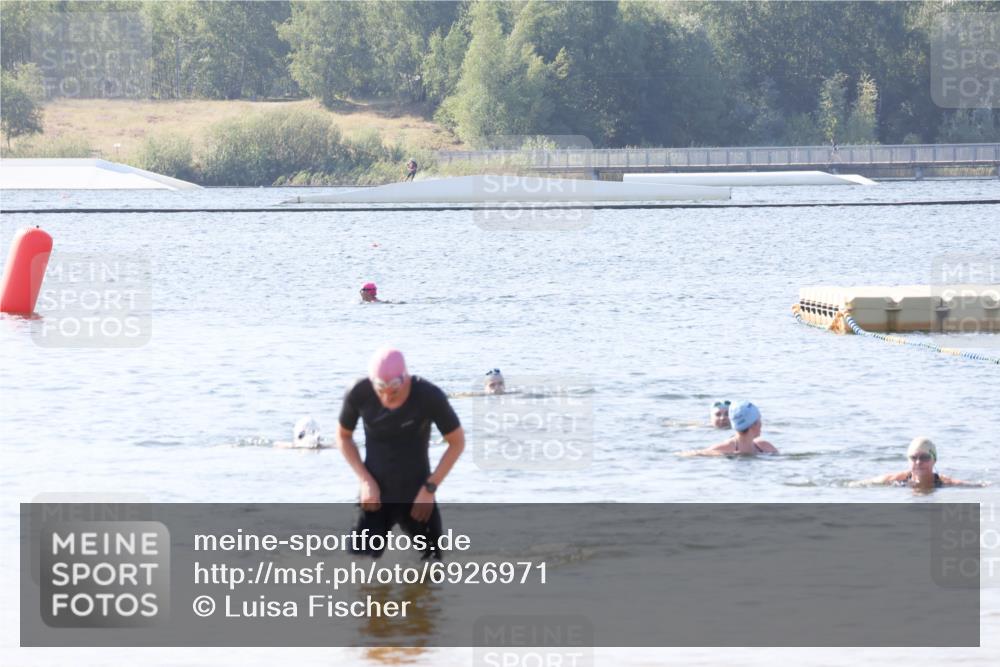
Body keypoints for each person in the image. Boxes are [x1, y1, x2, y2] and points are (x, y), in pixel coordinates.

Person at [336, 347, 465, 559]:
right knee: (358, 572)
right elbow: (343, 437)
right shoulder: (359, 393)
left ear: (405, 378)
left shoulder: (428, 396)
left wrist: (430, 489)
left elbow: (457, 442)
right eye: (381, 390)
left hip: (418, 498)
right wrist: (365, 480)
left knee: (433, 569)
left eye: (394, 391)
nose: (388, 398)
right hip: (374, 497)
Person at [858, 437, 968, 489]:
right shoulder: (896, 479)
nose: (918, 462)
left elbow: (971, 485)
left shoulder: (945, 482)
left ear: (934, 460)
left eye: (924, 457)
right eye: (913, 458)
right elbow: (864, 483)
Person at [682, 401, 778, 456]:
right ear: (753, 423)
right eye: (759, 419)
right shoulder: (723, 449)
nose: (761, 424)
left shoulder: (765, 447)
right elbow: (686, 454)